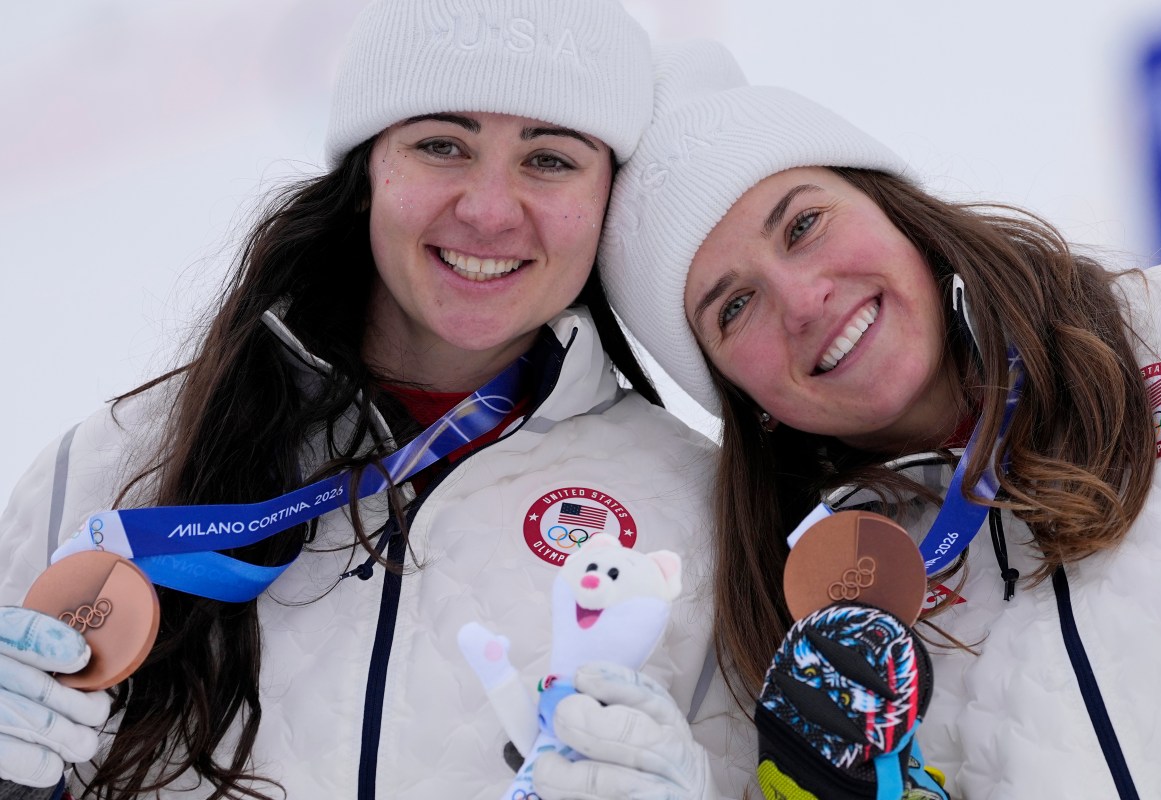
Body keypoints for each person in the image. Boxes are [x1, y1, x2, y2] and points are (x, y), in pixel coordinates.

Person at [0, 6, 758, 799]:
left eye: (551, 159)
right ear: (367, 172)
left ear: (608, 199)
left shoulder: (703, 513)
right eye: (442, 145)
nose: (490, 209)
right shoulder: (112, 464)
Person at [601, 38, 1161, 799]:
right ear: (734, 392)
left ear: (895, 208)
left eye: (803, 225)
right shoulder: (792, 639)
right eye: (736, 306)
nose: (805, 300)